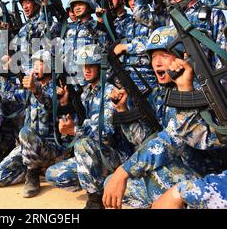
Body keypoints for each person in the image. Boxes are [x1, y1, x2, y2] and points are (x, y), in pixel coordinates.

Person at [103, 26, 227, 209]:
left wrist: (125, 171)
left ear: (181, 58)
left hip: (209, 178)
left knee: (148, 173)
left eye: (164, 55)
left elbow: (171, 141)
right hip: (177, 168)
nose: (157, 63)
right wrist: (123, 110)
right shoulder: (159, 95)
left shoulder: (205, 93)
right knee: (110, 183)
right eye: (153, 57)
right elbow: (145, 140)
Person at [45, 44, 133, 209]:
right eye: (83, 66)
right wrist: (64, 104)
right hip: (95, 154)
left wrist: (74, 131)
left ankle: (95, 199)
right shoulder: (86, 93)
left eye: (90, 66)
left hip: (116, 154)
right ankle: (99, 182)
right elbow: (80, 121)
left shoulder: (111, 92)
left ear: (101, 67)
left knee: (82, 143)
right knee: (53, 175)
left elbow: (106, 132)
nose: (86, 70)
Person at [0, 50, 70, 198]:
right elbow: (8, 96)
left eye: (40, 64)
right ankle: (34, 167)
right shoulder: (28, 89)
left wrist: (36, 90)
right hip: (28, 148)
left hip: (50, 147)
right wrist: (4, 73)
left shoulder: (59, 89)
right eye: (34, 64)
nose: (35, 68)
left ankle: (33, 175)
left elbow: (49, 104)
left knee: (25, 132)